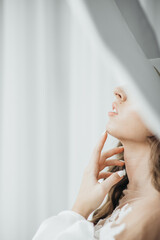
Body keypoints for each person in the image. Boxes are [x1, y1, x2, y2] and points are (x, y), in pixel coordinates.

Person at [32, 67, 160, 240]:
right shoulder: (122, 198)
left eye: (138, 87)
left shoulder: (151, 215)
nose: (117, 92)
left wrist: (78, 209)